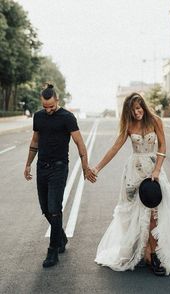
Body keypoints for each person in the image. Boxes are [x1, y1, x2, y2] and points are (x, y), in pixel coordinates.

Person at [93, 92, 170, 275]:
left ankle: (153, 255)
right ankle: (142, 251)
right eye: (132, 110)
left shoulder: (156, 121)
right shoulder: (128, 126)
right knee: (135, 213)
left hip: (153, 172)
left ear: (143, 105)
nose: (137, 112)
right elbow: (114, 148)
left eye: (138, 107)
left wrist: (157, 170)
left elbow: (162, 147)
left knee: (154, 213)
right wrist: (97, 168)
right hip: (134, 173)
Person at [24, 84, 96, 268]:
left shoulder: (67, 117)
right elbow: (35, 141)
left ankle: (53, 251)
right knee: (45, 208)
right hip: (42, 167)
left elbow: (80, 143)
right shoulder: (38, 116)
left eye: (51, 106)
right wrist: (28, 164)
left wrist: (85, 167)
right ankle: (61, 237)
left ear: (58, 100)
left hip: (59, 167)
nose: (48, 110)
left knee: (55, 208)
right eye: (45, 106)